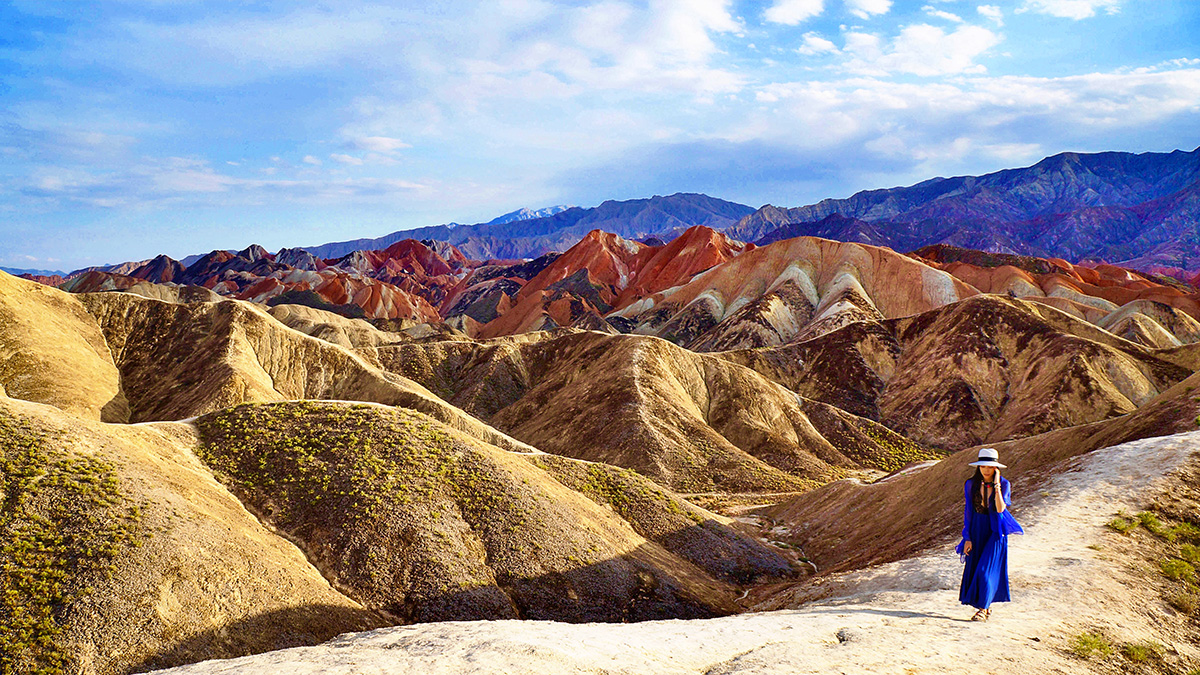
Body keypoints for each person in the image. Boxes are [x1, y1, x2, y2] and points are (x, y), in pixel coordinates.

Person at [955, 447, 1023, 621]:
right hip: (977, 529)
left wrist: (997, 484)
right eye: (983, 466)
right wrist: (967, 537)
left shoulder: (1005, 484)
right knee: (977, 567)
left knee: (986, 570)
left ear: (996, 468)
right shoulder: (970, 484)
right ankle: (984, 607)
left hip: (995, 531)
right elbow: (968, 511)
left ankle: (983, 610)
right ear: (978, 467)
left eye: (990, 467)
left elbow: (1000, 508)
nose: (986, 470)